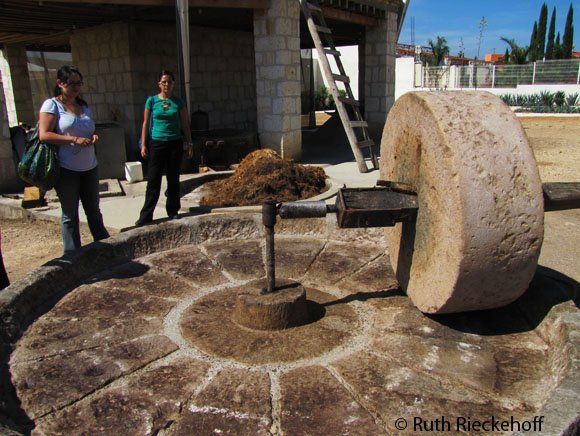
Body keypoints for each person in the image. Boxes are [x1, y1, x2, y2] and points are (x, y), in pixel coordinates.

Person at [38, 65, 109, 254]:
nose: (76, 87)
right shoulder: (52, 105)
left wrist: (94, 136)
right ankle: (73, 254)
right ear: (60, 84)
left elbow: (89, 129)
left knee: (94, 211)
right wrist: (72, 139)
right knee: (70, 214)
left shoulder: (83, 105)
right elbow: (43, 135)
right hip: (67, 168)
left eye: (79, 83)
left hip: (89, 165)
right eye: (72, 83)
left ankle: (104, 249)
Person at [136, 70, 193, 226]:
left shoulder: (178, 102)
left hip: (174, 143)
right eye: (164, 82)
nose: (167, 85)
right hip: (157, 143)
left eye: (169, 82)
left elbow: (185, 125)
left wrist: (189, 143)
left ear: (173, 84)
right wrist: (144, 143)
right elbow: (145, 123)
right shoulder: (152, 101)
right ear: (159, 84)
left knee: (173, 179)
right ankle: (146, 215)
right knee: (153, 180)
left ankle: (173, 210)